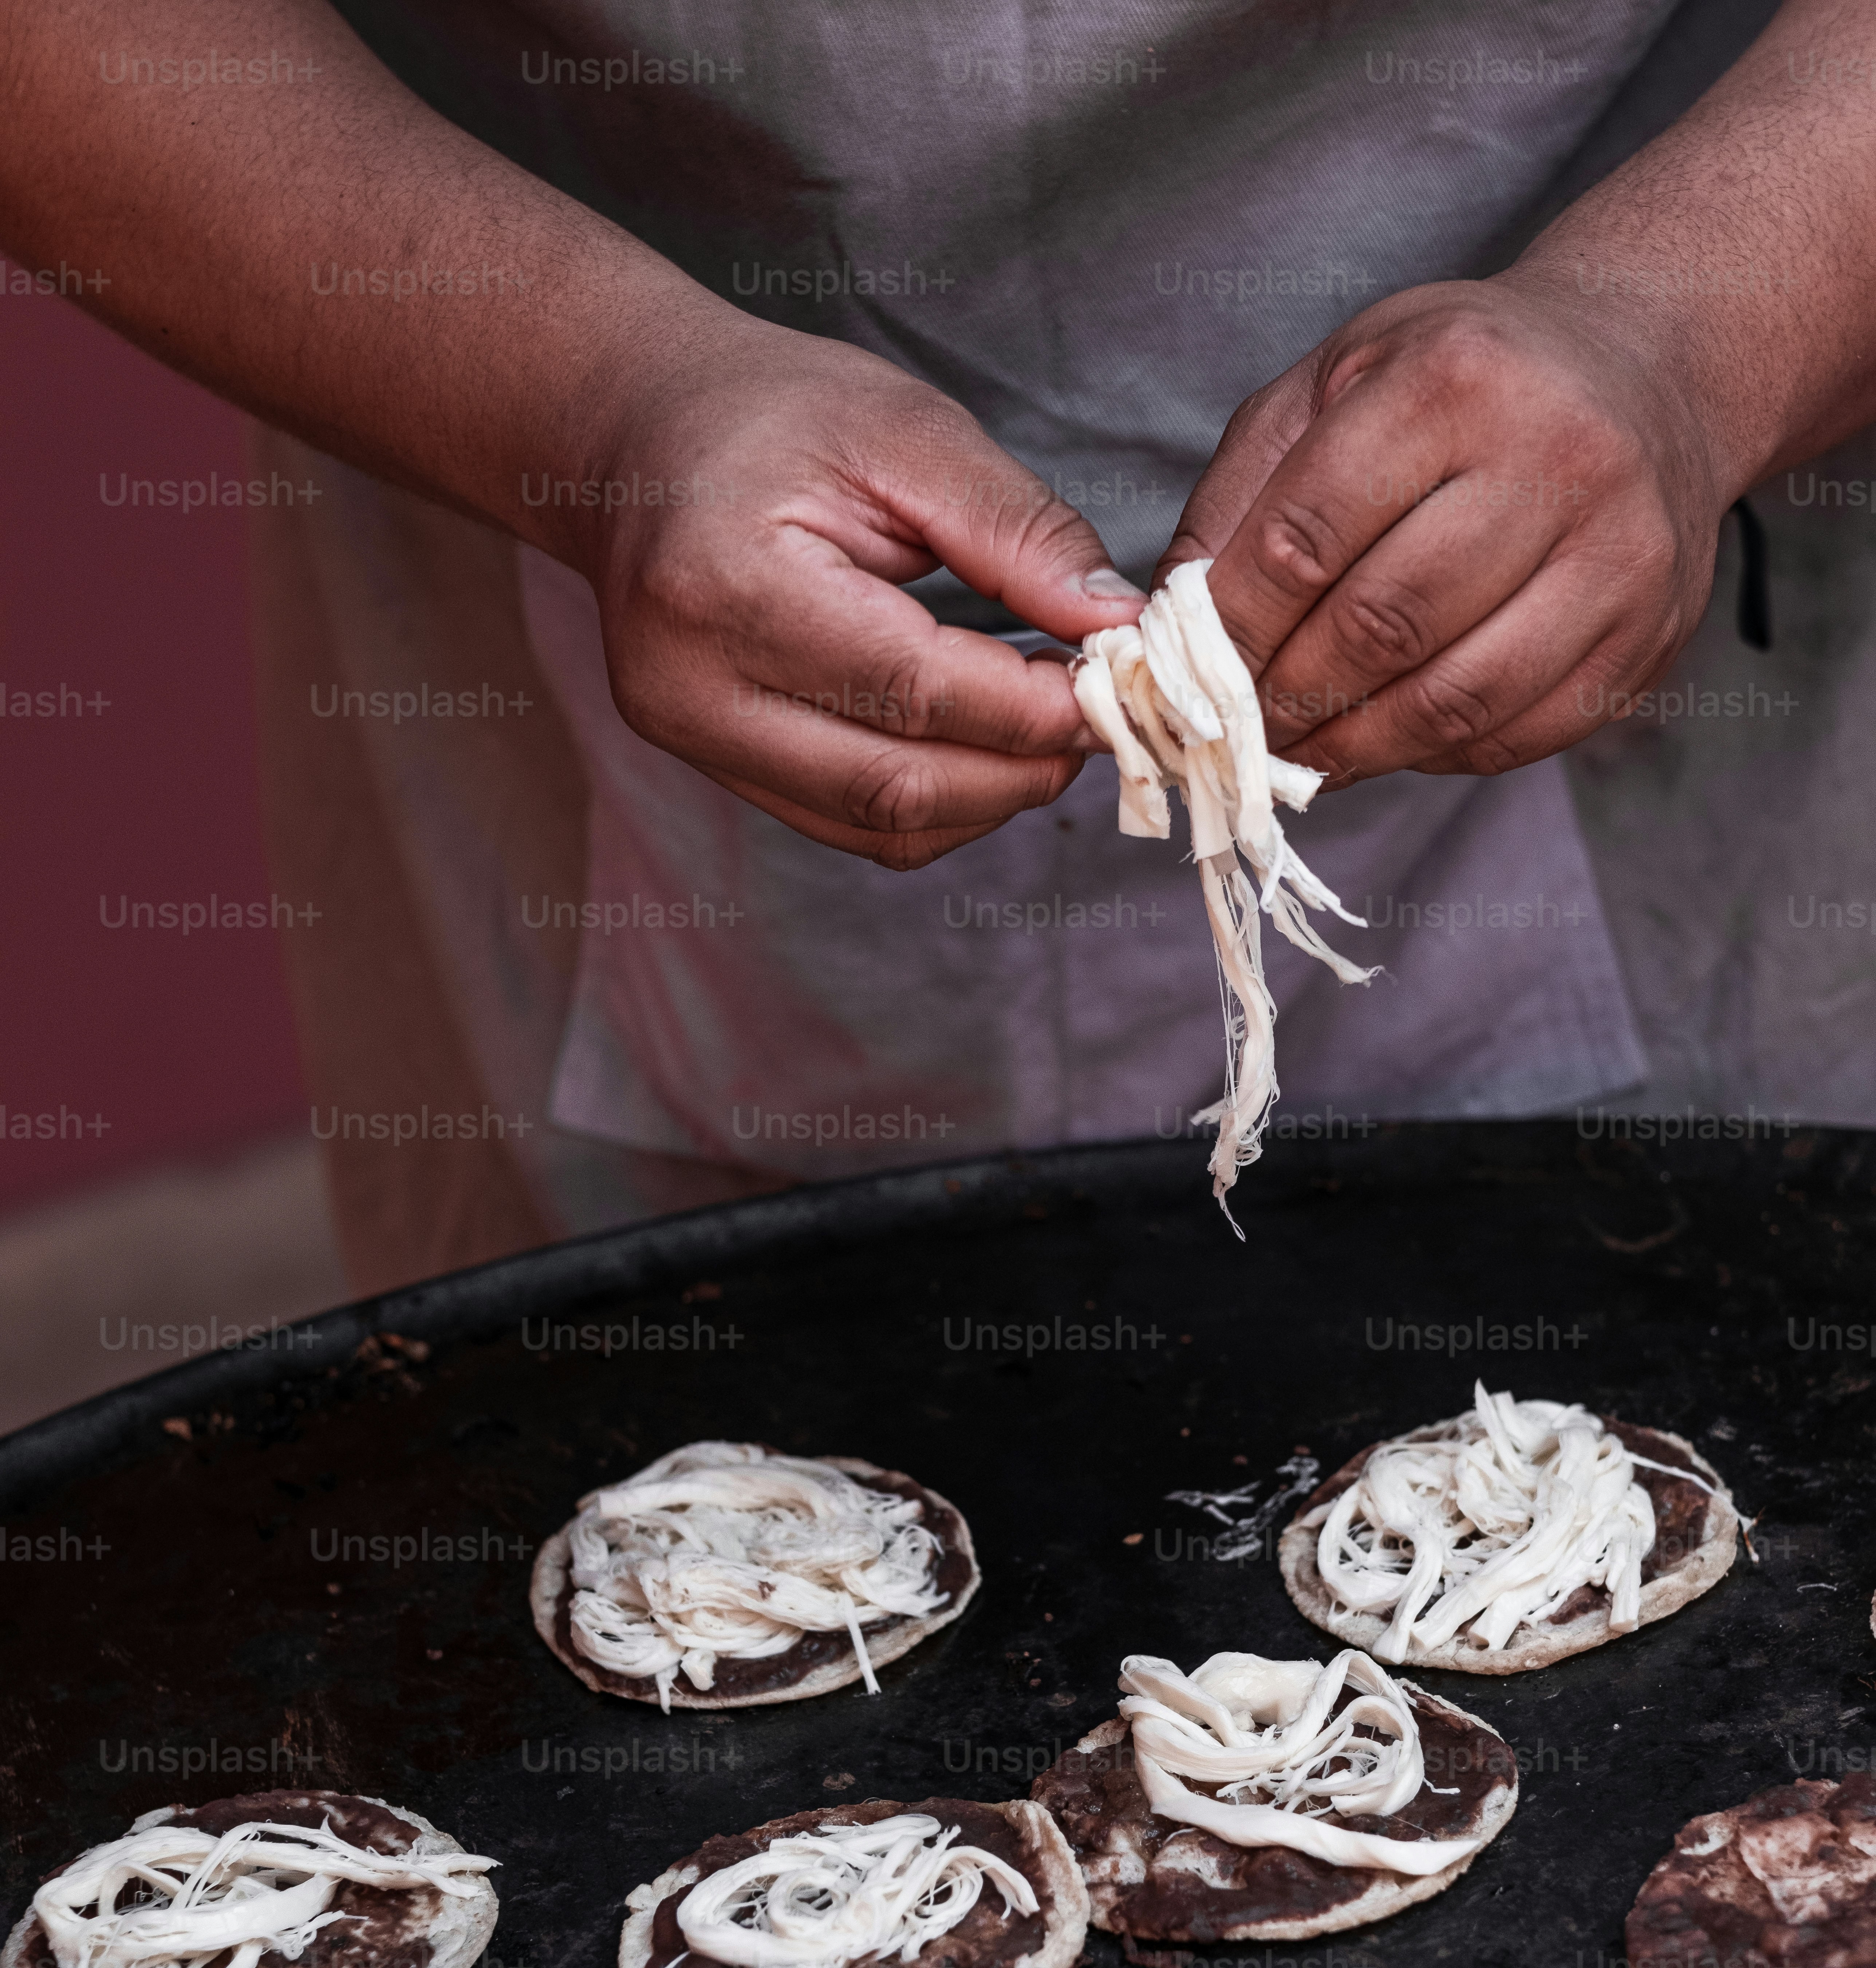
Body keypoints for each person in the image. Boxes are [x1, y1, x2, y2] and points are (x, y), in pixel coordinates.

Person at [6, 0, 1874, 1289]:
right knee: (652, 1618)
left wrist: (1693, 331)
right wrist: (588, 418)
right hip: (518, 500)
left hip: (1724, 594)